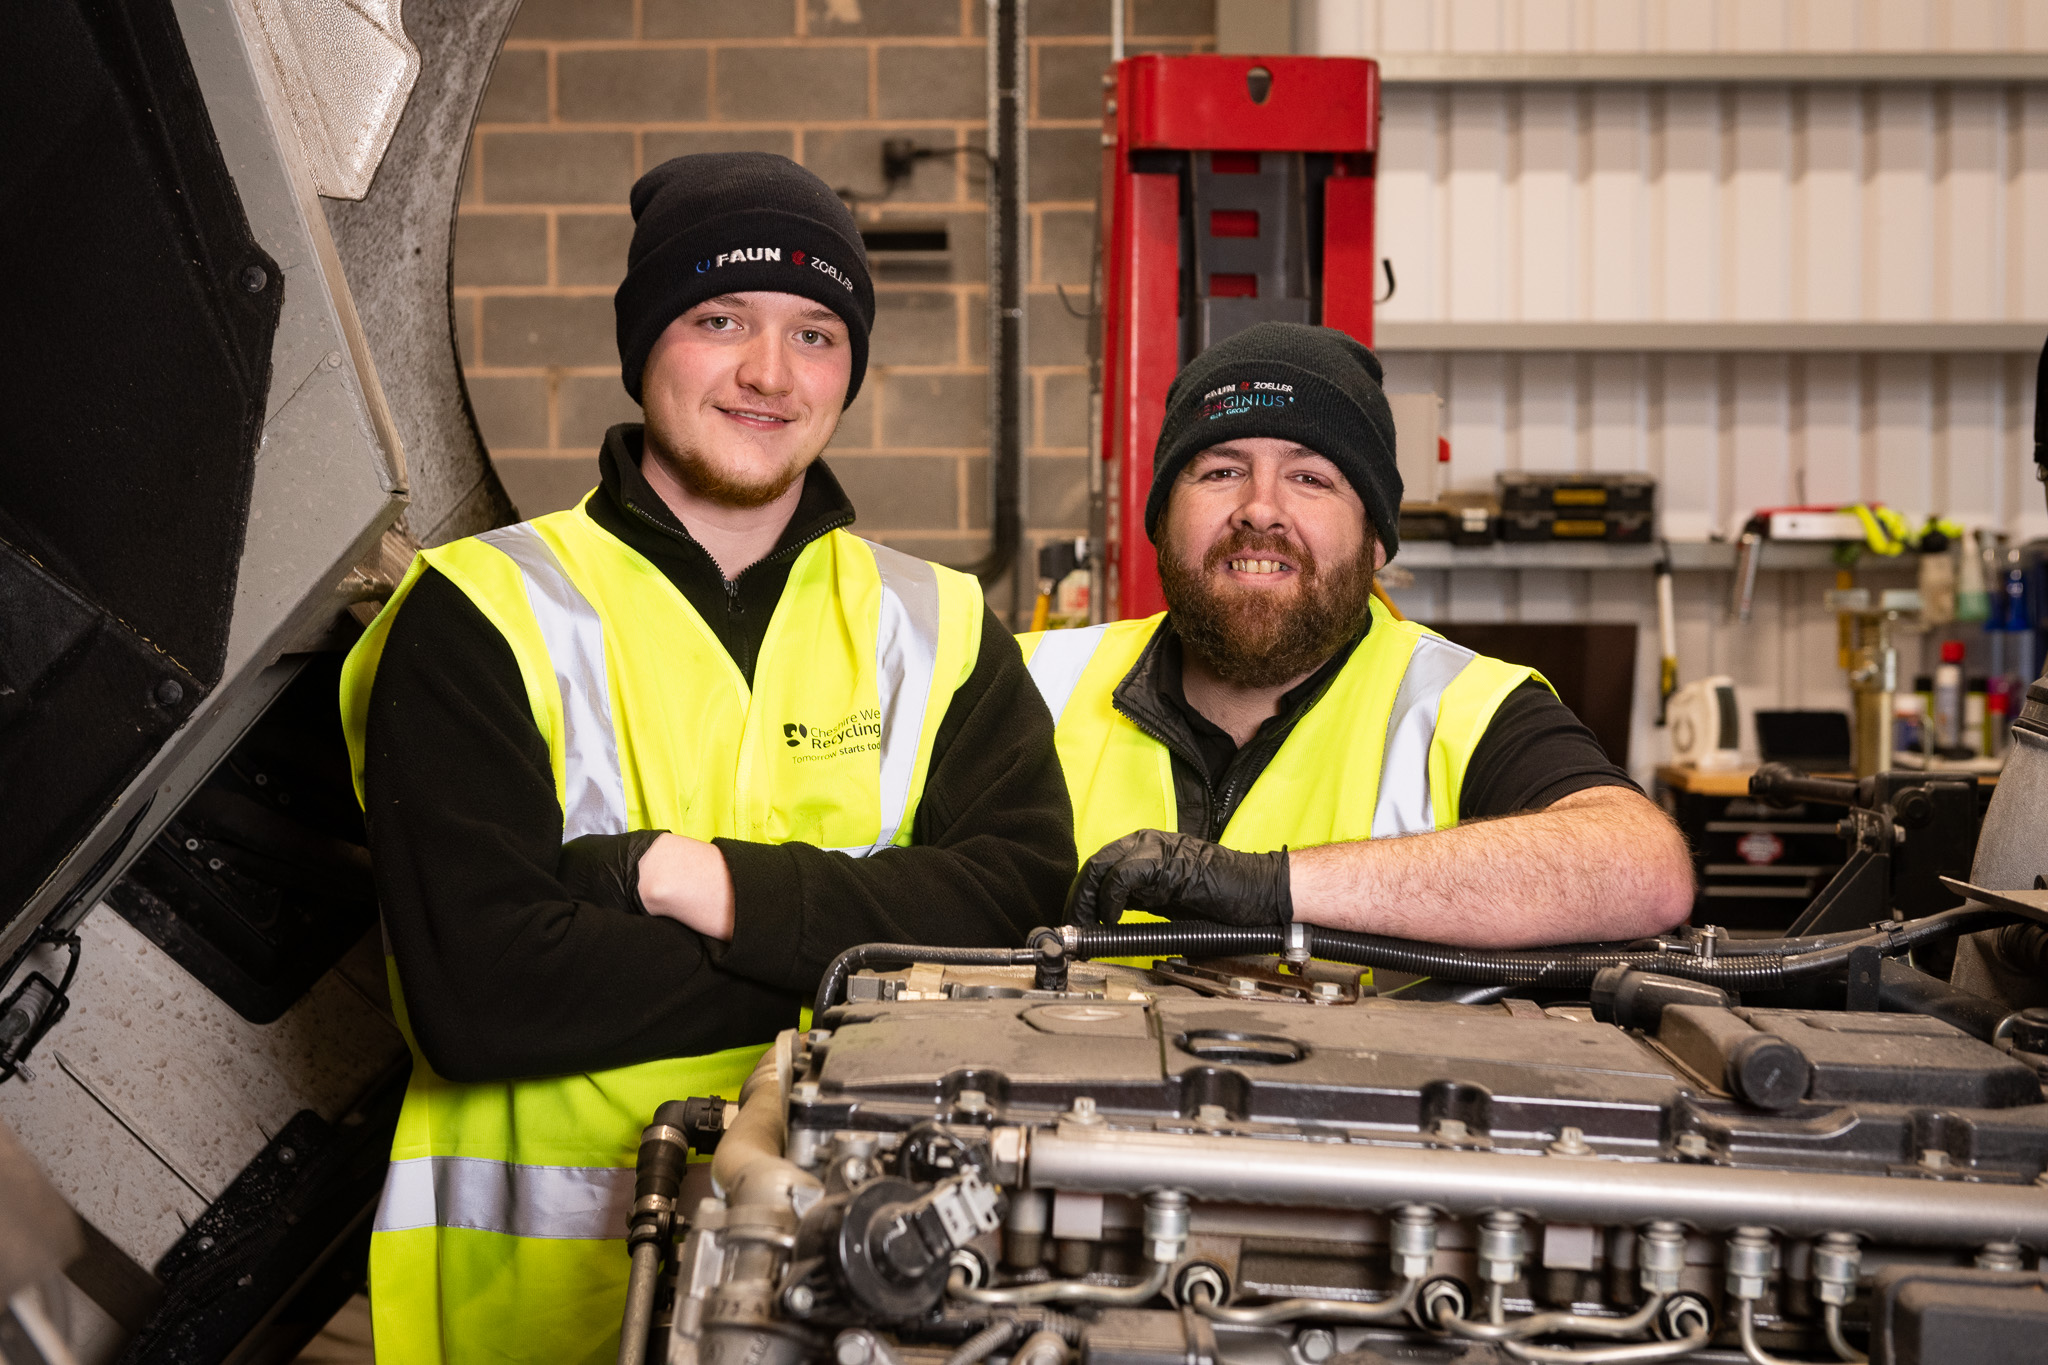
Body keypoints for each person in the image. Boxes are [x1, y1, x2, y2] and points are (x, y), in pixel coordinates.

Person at [340, 153, 1074, 1362]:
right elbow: (481, 996)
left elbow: (1024, 914)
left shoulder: (934, 626)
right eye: (718, 319)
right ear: (644, 346)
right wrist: (870, 952)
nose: (767, 374)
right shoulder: (479, 613)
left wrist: (692, 883)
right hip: (536, 1317)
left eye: (816, 332)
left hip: (851, 1302)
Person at [1020, 322, 1692, 945]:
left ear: (1375, 541)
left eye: (1311, 477)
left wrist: (1274, 887)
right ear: (1163, 520)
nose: (1259, 508)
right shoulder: (1032, 681)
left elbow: (1644, 869)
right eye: (1221, 471)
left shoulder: (1457, 706)